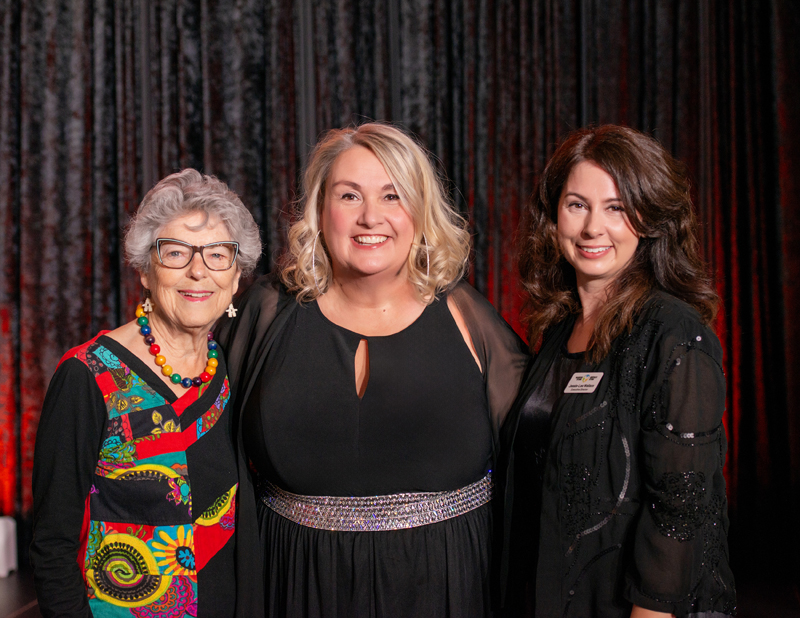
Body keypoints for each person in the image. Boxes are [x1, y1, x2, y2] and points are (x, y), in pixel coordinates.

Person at [215, 122, 529, 617]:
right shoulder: (266, 311)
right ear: (320, 210)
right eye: (348, 196)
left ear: (421, 212)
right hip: (293, 586)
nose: (370, 218)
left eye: (391, 196)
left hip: (448, 589)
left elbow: (539, 464)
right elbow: (197, 434)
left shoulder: (471, 321)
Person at [500, 125, 736, 617]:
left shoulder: (673, 334)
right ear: (554, 216)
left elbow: (681, 510)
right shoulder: (561, 330)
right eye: (577, 204)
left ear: (649, 218)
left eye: (616, 207)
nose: (592, 228)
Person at [31, 169, 261, 617]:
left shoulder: (239, 369)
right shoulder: (88, 376)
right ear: (144, 270)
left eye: (218, 255)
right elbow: (51, 545)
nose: (198, 271)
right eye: (176, 253)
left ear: (236, 278)